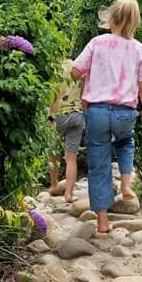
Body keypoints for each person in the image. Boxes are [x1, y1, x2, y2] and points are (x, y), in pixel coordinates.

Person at [70, 0, 142, 236]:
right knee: (125, 142)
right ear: (135, 23)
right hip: (125, 113)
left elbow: (75, 72)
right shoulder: (139, 49)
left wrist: (86, 77)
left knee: (98, 165)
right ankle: (126, 185)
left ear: (111, 19)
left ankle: (102, 222)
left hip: (96, 112)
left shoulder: (97, 43)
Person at [46, 59, 85, 203]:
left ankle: (54, 185)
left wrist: (52, 118)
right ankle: (69, 194)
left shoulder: (56, 68)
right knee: (71, 158)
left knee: (53, 153)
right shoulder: (80, 69)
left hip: (60, 115)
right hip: (77, 115)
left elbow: (54, 97)